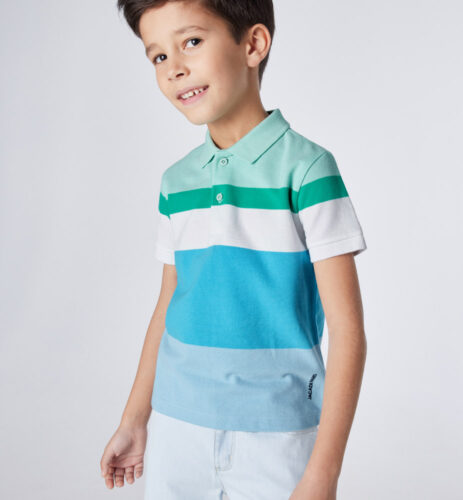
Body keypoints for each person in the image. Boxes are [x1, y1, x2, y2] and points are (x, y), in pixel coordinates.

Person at [100, 1, 368, 498]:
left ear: (253, 44)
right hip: (176, 431)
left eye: (191, 42)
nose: (174, 68)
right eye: (158, 56)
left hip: (278, 437)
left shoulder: (308, 169)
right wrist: (135, 419)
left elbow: (348, 331)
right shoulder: (176, 182)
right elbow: (167, 306)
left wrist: (323, 473)